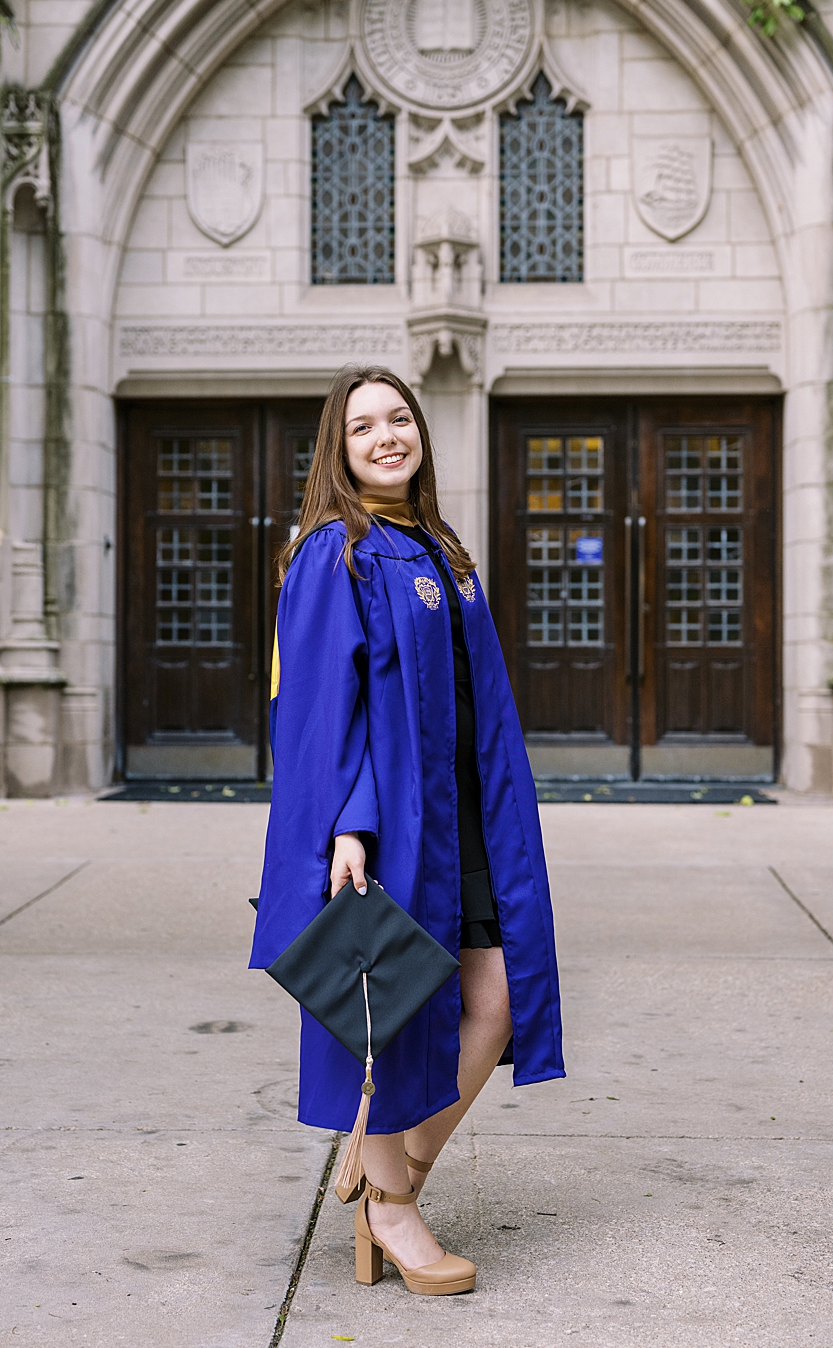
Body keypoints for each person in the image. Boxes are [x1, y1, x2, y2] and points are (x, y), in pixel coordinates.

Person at [247, 366, 564, 1297]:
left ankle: (392, 1182)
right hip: (389, 819)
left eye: (398, 418)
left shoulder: (438, 547)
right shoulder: (334, 553)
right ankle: (391, 1210)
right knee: (385, 1018)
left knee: (496, 1000)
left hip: (465, 813)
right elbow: (318, 711)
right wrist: (347, 827)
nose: (386, 436)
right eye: (363, 427)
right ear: (337, 450)